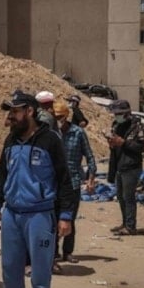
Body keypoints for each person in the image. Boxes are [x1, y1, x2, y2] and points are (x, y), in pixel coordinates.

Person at [0, 91, 76, 288]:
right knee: (10, 271)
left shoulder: (50, 141)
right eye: (10, 112)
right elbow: (3, 177)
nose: (11, 117)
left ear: (29, 111)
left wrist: (66, 216)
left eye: (15, 111)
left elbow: (64, 180)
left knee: (39, 275)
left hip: (40, 216)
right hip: (12, 215)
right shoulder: (10, 142)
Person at [53, 99, 96, 264]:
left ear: (66, 116)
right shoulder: (51, 134)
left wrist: (91, 178)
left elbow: (89, 156)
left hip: (73, 181)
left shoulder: (77, 133)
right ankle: (54, 251)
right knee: (54, 217)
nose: (57, 120)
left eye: (59, 117)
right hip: (55, 181)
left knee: (69, 217)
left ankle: (68, 251)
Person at [106, 99, 144, 235]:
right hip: (119, 165)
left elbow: (142, 147)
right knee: (121, 196)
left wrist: (123, 143)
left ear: (126, 113)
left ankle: (130, 226)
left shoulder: (137, 127)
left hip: (131, 166)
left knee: (128, 197)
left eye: (118, 113)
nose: (116, 116)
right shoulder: (116, 125)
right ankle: (125, 223)